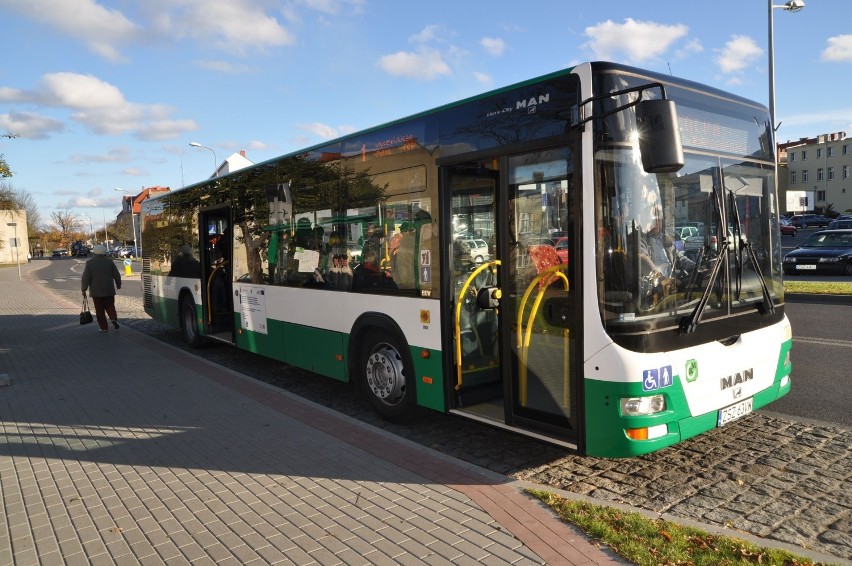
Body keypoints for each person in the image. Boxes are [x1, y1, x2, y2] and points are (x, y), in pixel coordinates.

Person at [81, 244, 122, 332]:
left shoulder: (89, 263)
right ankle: (113, 319)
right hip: (109, 289)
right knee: (110, 306)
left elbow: (85, 278)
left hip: (96, 291)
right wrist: (118, 284)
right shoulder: (109, 262)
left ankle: (103, 327)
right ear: (104, 252)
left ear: (94, 252)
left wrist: (83, 289)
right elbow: (117, 275)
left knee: (99, 310)